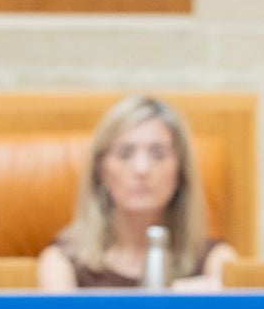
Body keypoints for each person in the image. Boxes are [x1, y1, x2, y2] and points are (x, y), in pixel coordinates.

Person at [37, 95, 238, 290]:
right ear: (101, 171)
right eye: (125, 154)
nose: (142, 169)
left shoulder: (217, 261)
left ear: (180, 170)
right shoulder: (61, 262)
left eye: (158, 154)